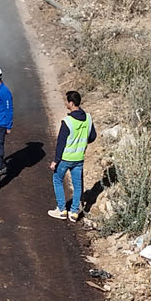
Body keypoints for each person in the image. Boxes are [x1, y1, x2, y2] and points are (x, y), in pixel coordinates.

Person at [50, 90, 94, 221]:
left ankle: (62, 210)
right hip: (79, 158)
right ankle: (74, 213)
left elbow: (61, 143)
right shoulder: (88, 118)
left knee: (57, 180)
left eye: (67, 101)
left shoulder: (67, 121)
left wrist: (55, 161)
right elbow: (92, 136)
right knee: (78, 185)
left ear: (71, 103)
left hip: (65, 158)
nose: (66, 103)